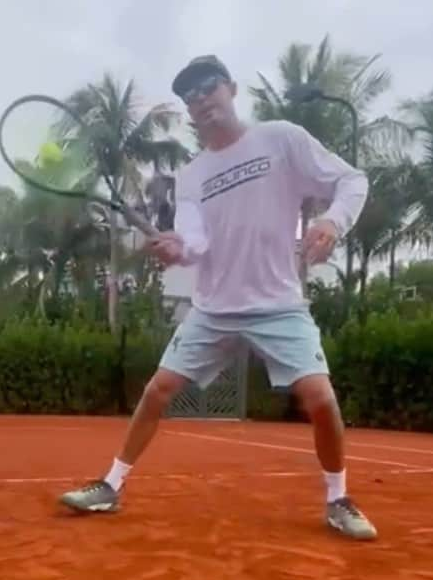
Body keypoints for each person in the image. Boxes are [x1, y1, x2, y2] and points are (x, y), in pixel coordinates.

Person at [60, 54, 377, 540]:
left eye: (208, 87)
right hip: (213, 309)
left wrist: (332, 221)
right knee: (157, 391)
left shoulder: (281, 139)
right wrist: (176, 247)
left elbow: (352, 180)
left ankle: (338, 499)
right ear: (188, 112)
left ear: (230, 88)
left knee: (321, 400)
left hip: (279, 304)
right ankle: (110, 484)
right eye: (190, 95)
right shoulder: (192, 176)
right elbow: (196, 241)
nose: (200, 99)